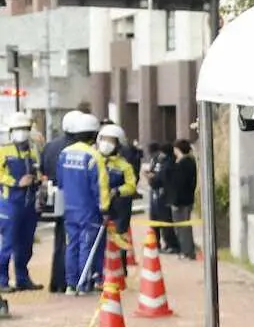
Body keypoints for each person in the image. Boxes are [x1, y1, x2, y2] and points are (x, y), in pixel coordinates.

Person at [57, 112, 110, 295]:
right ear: (94, 134)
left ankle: (71, 283)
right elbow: (101, 186)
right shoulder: (95, 156)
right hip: (89, 210)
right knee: (87, 245)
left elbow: (61, 182)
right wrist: (105, 208)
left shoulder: (64, 154)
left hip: (70, 208)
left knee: (72, 245)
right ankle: (84, 283)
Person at [0, 111, 44, 292]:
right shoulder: (4, 150)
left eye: (25, 129)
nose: (22, 133)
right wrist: (16, 182)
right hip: (10, 202)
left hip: (29, 202)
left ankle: (22, 278)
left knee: (26, 243)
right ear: (11, 131)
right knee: (8, 243)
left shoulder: (34, 150)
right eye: (18, 129)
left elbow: (39, 171)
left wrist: (38, 180)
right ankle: (2, 280)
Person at [41, 110, 83, 293]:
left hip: (56, 195)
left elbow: (43, 168)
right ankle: (72, 280)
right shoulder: (80, 148)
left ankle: (57, 282)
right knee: (75, 241)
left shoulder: (50, 146)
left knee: (60, 240)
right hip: (77, 198)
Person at [97, 123, 137, 273]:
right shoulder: (95, 160)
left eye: (111, 141)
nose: (106, 144)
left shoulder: (124, 165)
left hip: (119, 207)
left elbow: (131, 186)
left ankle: (121, 268)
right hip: (99, 205)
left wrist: (117, 191)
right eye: (104, 139)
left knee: (120, 237)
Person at [166, 138, 197, 260]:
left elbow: (179, 184)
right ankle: (187, 250)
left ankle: (187, 251)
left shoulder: (183, 164)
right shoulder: (189, 162)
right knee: (183, 227)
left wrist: (175, 201)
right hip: (187, 199)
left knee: (182, 228)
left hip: (181, 201)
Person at [146, 142, 180, 254]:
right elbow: (154, 172)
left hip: (163, 195)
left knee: (165, 221)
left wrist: (153, 178)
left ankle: (171, 244)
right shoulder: (157, 159)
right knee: (154, 219)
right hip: (155, 194)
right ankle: (156, 242)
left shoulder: (169, 162)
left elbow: (162, 176)